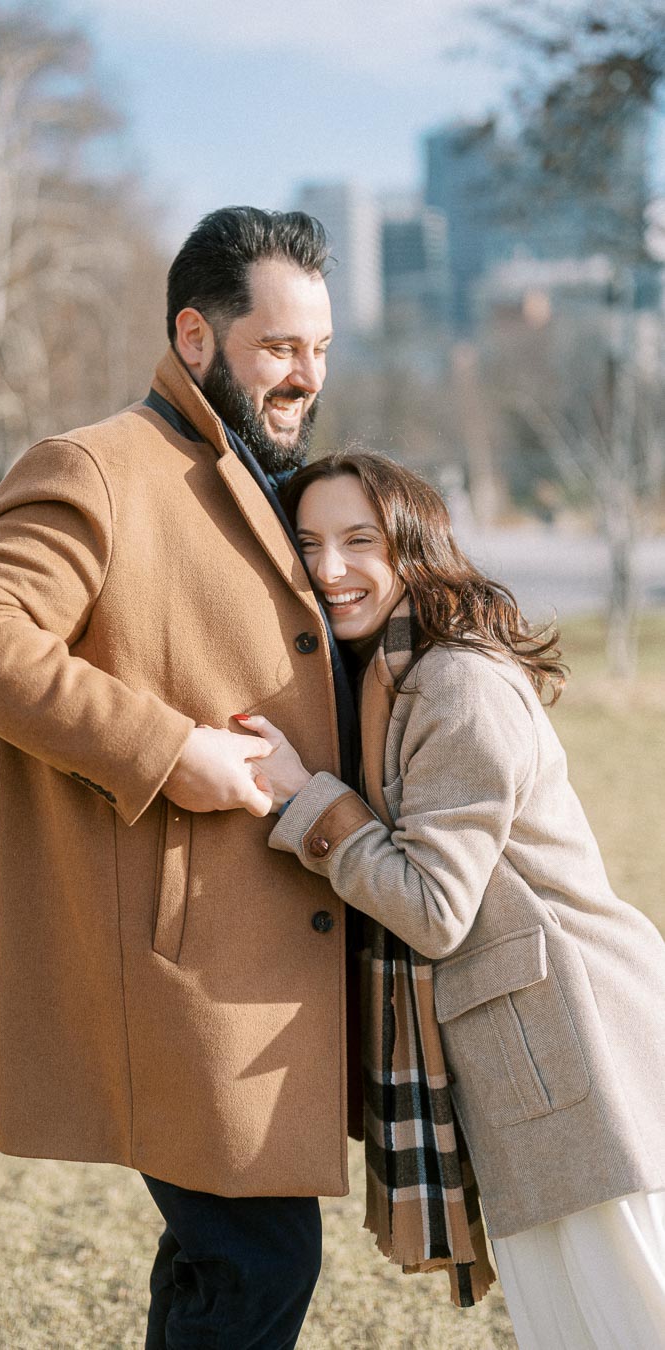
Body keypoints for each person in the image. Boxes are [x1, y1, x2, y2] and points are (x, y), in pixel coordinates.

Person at [0, 207, 362, 1349]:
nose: (307, 375)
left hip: (261, 974)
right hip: (180, 979)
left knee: (225, 1267)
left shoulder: (262, 476)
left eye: (320, 349)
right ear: (196, 339)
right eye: (280, 348)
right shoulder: (98, 466)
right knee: (259, 1263)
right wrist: (169, 749)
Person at [246, 450, 665, 1349]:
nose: (330, 570)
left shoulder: (454, 683)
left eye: (360, 540)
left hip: (577, 1051)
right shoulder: (388, 685)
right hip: (533, 1058)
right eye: (309, 544)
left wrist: (303, 797)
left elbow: (436, 904)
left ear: (415, 548)